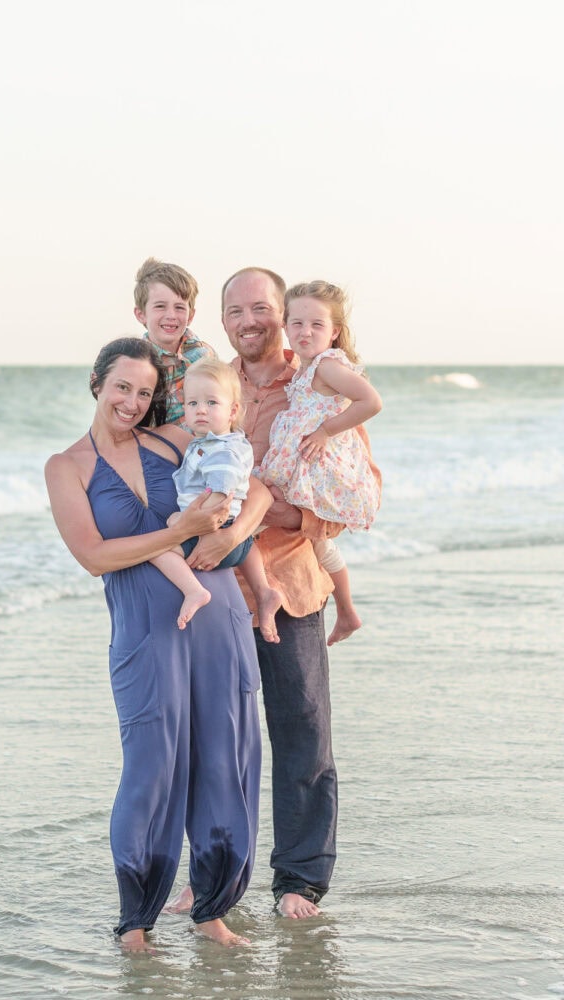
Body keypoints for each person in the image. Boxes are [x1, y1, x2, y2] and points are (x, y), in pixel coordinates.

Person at [43, 337, 267, 950]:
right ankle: (135, 920)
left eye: (144, 392)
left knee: (226, 757)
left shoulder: (174, 440)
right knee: (152, 766)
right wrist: (188, 526)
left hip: (218, 616)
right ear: (96, 383)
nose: (133, 402)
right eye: (122, 387)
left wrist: (227, 534)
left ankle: (212, 909)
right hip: (145, 631)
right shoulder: (67, 467)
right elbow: (93, 556)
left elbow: (261, 490)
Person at [176, 266, 360, 919]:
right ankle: (213, 875)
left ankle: (299, 881)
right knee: (217, 739)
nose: (249, 321)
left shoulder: (317, 382)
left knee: (303, 735)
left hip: (293, 586)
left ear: (282, 314)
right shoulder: (207, 385)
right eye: (235, 311)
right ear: (222, 319)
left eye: (261, 309)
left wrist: (280, 516)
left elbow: (354, 496)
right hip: (217, 592)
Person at [255, 280, 382, 644]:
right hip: (301, 465)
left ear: (334, 331)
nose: (305, 331)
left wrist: (327, 430)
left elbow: (371, 402)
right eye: (297, 323)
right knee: (318, 545)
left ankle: (270, 594)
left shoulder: (327, 366)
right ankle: (347, 612)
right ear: (284, 327)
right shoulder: (304, 368)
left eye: (316, 325)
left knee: (258, 518)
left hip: (317, 468)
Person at [148, 357, 287, 637]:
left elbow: (219, 498)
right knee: (248, 543)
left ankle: (194, 591)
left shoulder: (219, 451)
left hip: (211, 530)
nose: (201, 410)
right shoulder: (228, 442)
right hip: (238, 537)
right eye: (193, 403)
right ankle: (263, 591)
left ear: (233, 410)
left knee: (156, 550)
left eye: (212, 403)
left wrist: (183, 522)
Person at [133, 257, 216, 426]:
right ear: (141, 314)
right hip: (153, 447)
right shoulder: (135, 362)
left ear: (190, 315)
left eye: (179, 307)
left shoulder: (204, 355)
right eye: (160, 306)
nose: (171, 315)